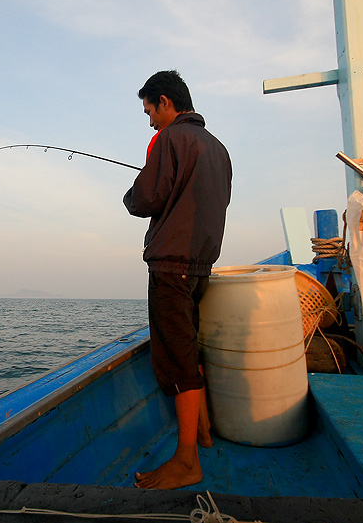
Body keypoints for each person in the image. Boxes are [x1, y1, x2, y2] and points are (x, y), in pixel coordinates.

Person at [123, 70, 232, 490]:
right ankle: (202, 434)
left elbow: (146, 199)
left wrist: (129, 194)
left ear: (166, 102)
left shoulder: (170, 140)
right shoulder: (219, 149)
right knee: (190, 345)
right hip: (201, 266)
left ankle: (187, 461)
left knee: (177, 357)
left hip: (171, 265)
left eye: (150, 110)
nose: (150, 120)